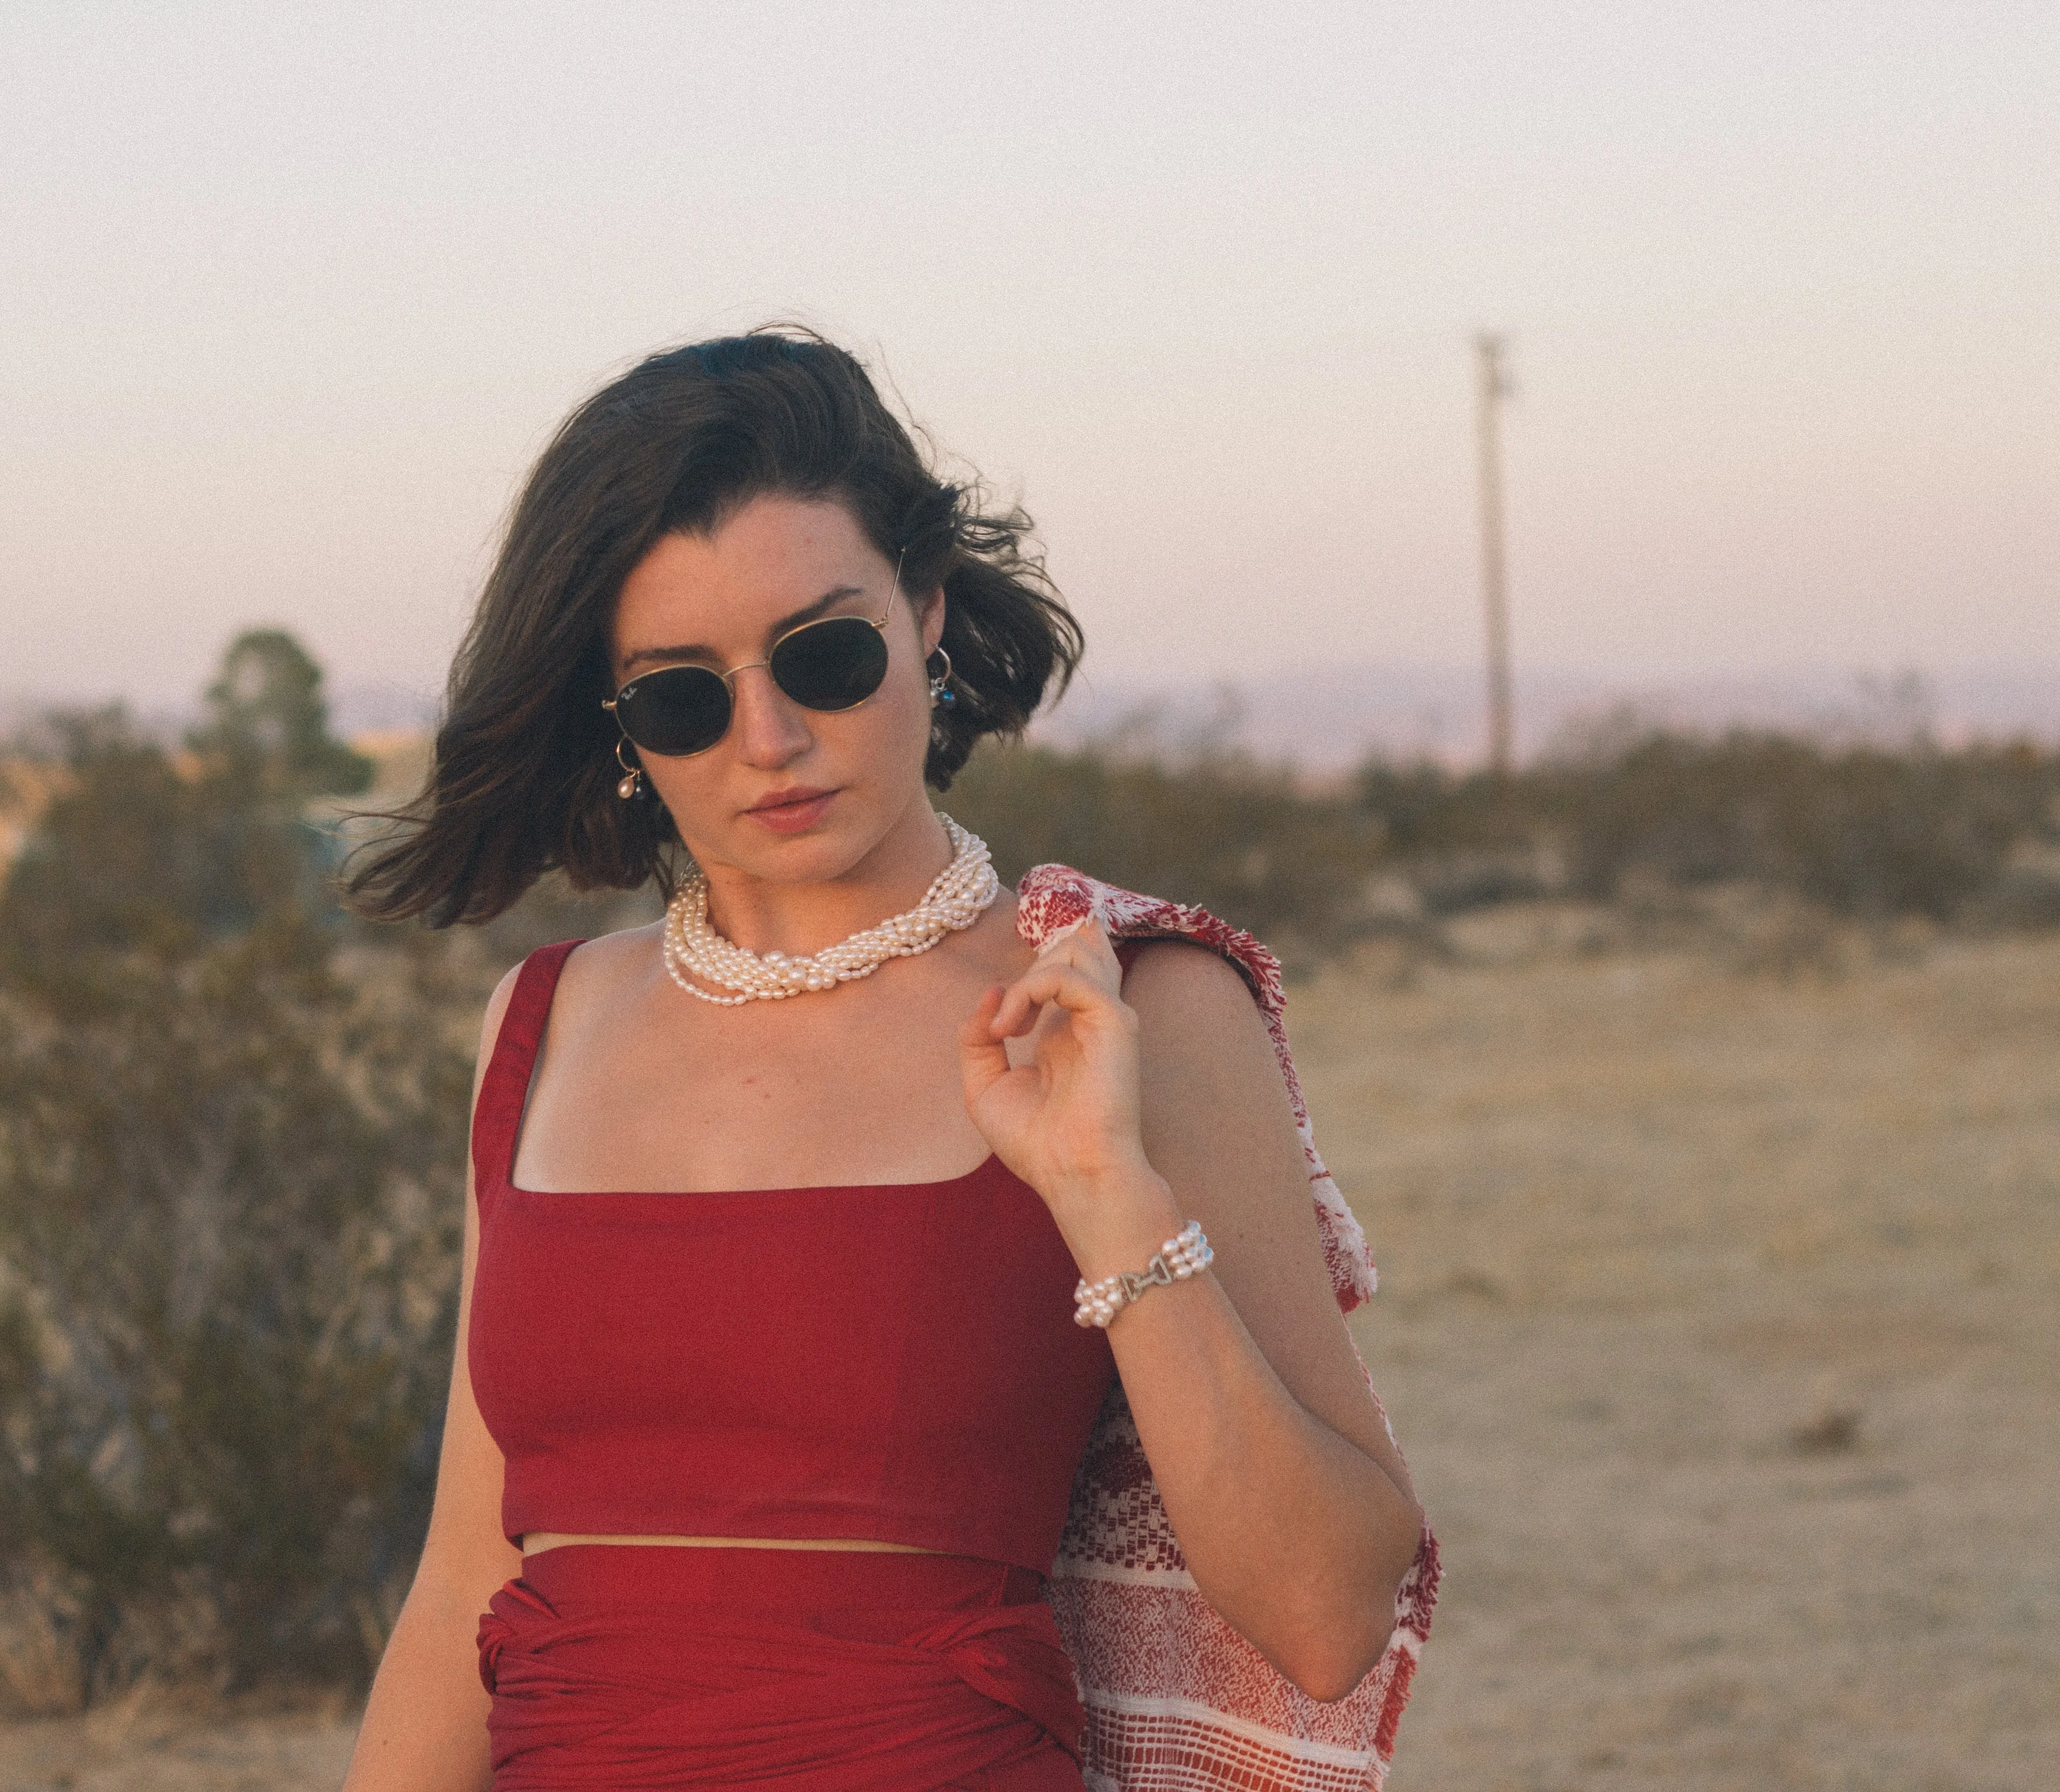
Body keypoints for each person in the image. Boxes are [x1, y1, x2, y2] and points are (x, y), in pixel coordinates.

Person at [340, 330, 1432, 1791]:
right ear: (619, 726)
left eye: (826, 655)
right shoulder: (542, 1025)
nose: (771, 738)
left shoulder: (1125, 1004)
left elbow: (1328, 1611)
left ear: (924, 615)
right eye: (683, 694)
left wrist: (1106, 1192)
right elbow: (467, 1583)